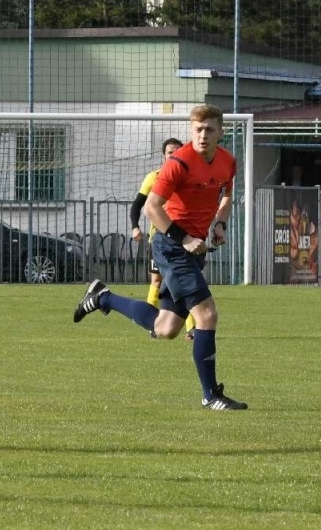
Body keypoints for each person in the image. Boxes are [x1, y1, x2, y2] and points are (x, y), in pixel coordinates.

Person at [73, 104, 244, 410]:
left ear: (221, 132)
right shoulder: (179, 163)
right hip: (170, 245)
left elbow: (227, 196)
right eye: (197, 129)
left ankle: (103, 298)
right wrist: (186, 238)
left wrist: (219, 223)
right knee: (206, 315)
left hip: (193, 248)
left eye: (209, 129)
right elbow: (152, 207)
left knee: (166, 328)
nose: (203, 135)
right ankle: (210, 395)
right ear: (191, 131)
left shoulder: (228, 162)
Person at [129, 138, 192, 335]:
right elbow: (137, 205)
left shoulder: (189, 178)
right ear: (163, 156)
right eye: (169, 152)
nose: (173, 155)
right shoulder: (154, 177)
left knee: (185, 282)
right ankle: (152, 326)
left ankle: (192, 329)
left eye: (177, 151)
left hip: (183, 238)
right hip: (159, 241)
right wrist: (135, 227)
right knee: (156, 282)